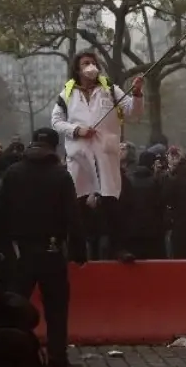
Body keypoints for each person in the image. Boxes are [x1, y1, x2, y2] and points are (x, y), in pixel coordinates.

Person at [0, 127, 86, 367]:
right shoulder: (60, 175)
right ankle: (57, 358)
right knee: (56, 308)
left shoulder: (13, 173)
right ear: (53, 148)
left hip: (19, 252)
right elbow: (72, 217)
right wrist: (79, 250)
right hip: (51, 251)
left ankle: (9, 357)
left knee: (14, 305)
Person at [50, 52, 143, 261]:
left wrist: (137, 94)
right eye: (86, 63)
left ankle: (118, 248)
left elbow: (133, 113)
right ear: (77, 69)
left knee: (111, 201)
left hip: (105, 154)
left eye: (93, 63)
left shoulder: (110, 89)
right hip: (79, 156)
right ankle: (77, 252)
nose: (91, 66)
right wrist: (76, 130)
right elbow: (56, 121)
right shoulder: (67, 93)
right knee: (78, 204)